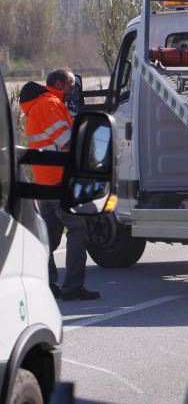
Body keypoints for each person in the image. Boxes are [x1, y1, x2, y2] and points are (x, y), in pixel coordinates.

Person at [19, 68, 100, 301]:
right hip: (59, 179)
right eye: (71, 85)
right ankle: (72, 287)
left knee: (49, 236)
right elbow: (66, 141)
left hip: (44, 181)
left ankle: (47, 283)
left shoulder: (38, 106)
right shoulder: (50, 104)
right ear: (58, 83)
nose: (74, 90)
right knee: (77, 230)